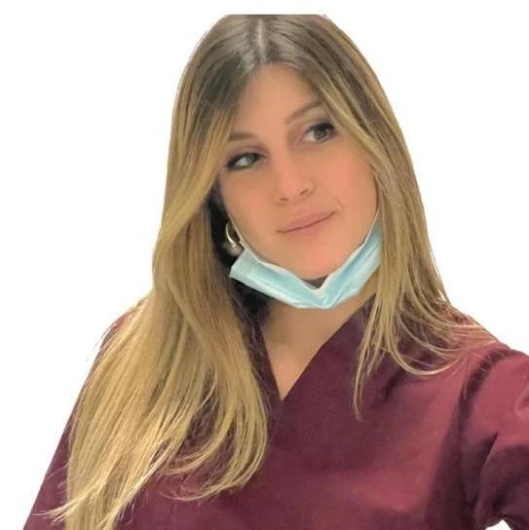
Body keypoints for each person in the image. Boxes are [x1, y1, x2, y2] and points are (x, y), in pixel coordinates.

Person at [23, 14, 529, 530]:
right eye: (245, 159)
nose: (289, 186)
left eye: (318, 131)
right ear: (214, 196)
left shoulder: (478, 392)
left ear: (375, 143)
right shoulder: (141, 359)